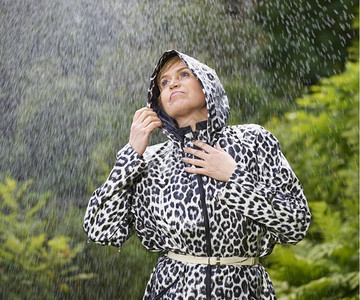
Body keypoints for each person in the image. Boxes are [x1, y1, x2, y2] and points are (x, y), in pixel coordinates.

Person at [83, 50, 311, 299]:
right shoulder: (149, 160)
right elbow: (100, 230)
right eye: (164, 82)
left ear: (207, 84)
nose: (173, 83)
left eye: (183, 74)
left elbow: (296, 223)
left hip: (245, 291)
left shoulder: (254, 141)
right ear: (159, 103)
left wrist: (233, 176)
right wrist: (130, 156)